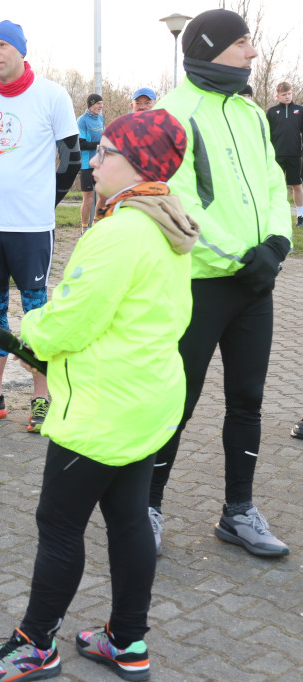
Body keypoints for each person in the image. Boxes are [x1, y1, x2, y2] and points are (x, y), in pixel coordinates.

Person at [0, 110, 196, 682]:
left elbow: (69, 324)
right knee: (129, 520)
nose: (92, 160)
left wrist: (29, 333)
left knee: (60, 524)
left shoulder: (119, 231)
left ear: (137, 162)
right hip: (149, 402)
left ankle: (35, 644)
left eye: (105, 151)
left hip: (102, 408)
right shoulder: (171, 221)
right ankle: (127, 641)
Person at [149, 9, 293, 558]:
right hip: (201, 285)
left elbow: (275, 182)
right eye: (243, 43)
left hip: (257, 282)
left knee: (249, 400)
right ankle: (148, 506)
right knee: (175, 404)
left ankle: (238, 512)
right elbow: (174, 204)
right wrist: (241, 258)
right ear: (210, 48)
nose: (253, 52)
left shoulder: (254, 114)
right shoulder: (171, 114)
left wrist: (277, 245)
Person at [0, 20, 80, 433]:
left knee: (35, 315)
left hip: (33, 226)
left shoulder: (51, 94)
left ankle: (42, 398)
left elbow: (72, 159)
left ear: (20, 51)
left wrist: (45, 202)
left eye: (2, 45)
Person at [266, 82, 303, 227]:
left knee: (297, 186)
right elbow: (266, 134)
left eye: (289, 94)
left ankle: (300, 216)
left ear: (291, 93)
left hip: (294, 155)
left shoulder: (300, 110)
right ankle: (276, 216)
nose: (287, 97)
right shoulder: (271, 112)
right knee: (276, 186)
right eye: (283, 95)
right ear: (278, 96)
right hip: (276, 156)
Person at [77, 93, 105, 231]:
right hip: (87, 164)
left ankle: (95, 224)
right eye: (98, 103)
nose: (101, 106)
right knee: (88, 199)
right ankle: (84, 228)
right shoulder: (82, 120)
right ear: (91, 104)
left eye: (102, 103)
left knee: (103, 195)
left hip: (100, 163)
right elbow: (81, 144)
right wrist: (99, 145)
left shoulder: (101, 118)